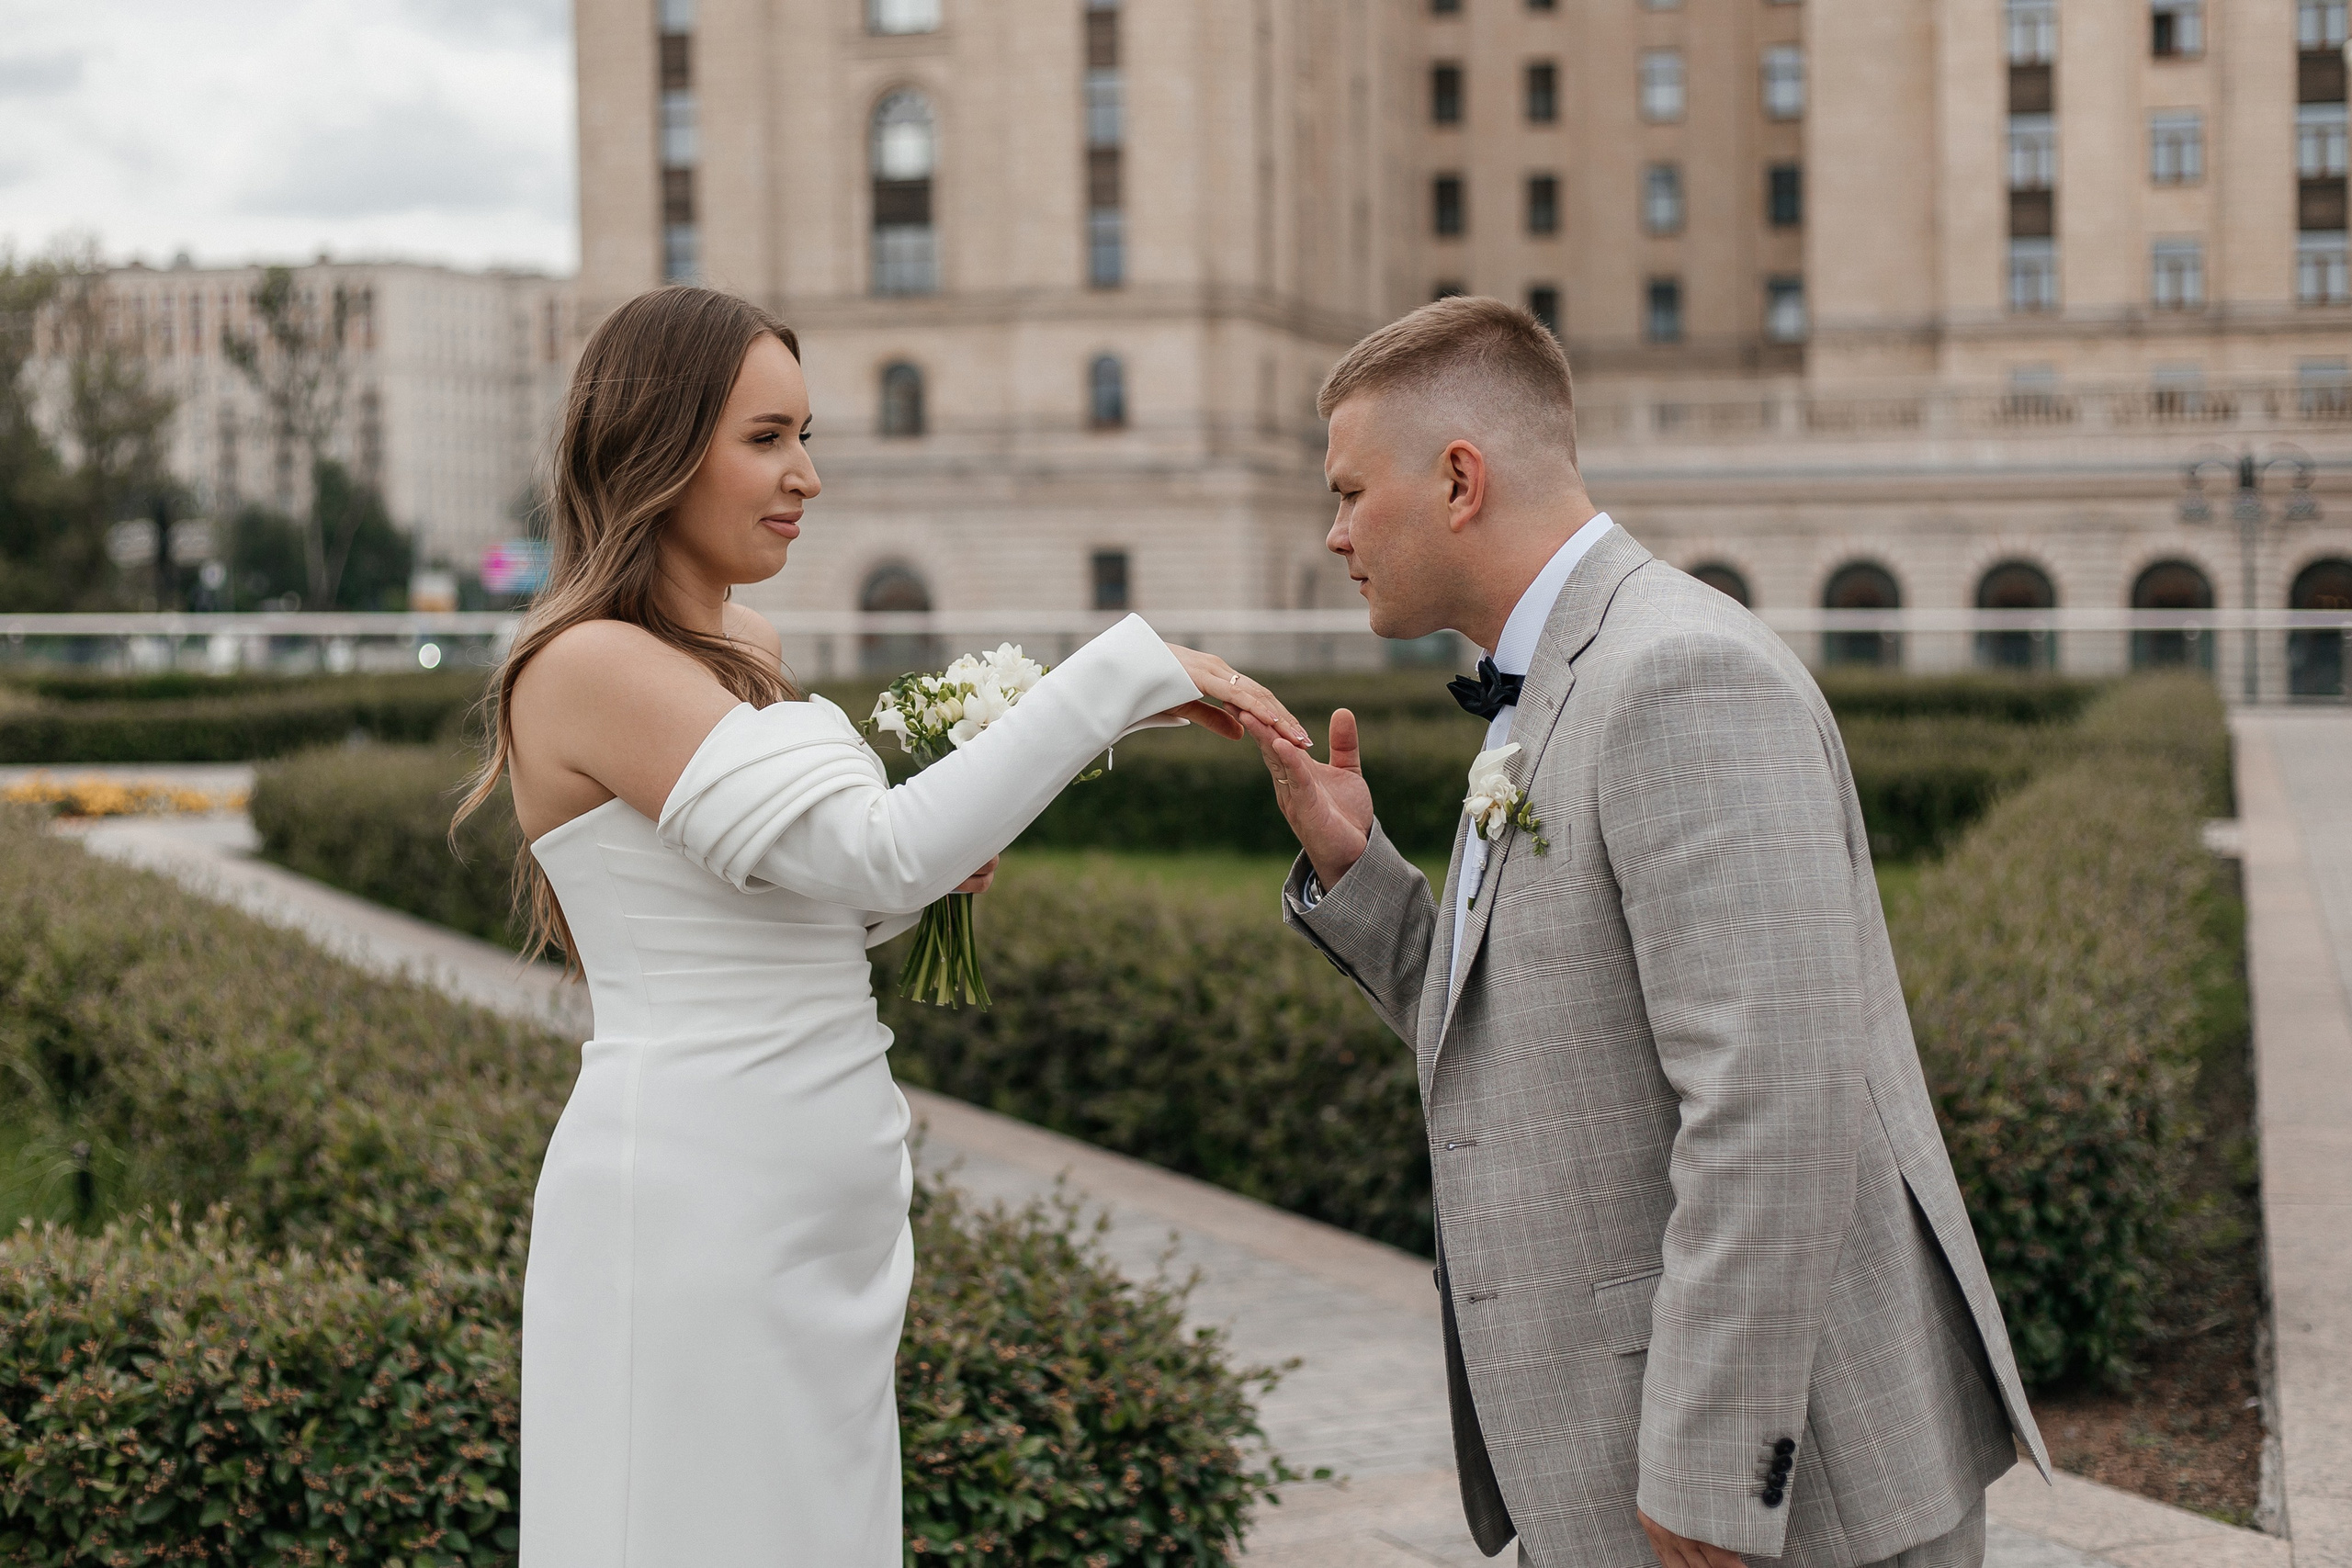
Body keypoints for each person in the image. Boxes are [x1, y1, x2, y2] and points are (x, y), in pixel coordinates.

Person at [455, 285, 1309, 1566]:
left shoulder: (745, 640)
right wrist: (1130, 676)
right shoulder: (586, 663)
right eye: (766, 438)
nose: (806, 476)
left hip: (820, 1195)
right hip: (700, 1201)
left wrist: (917, 878)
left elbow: (830, 894)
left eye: (807, 435)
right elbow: (876, 850)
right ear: (653, 448)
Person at [1238, 296, 2049, 1568]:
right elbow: (1522, 1031)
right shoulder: (1560, 671)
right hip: (1631, 1461)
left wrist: (1716, 1471)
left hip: (1794, 1500)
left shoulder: (1678, 676)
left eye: (1347, 492)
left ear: (1460, 481)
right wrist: (1360, 869)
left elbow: (1772, 1103)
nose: (1335, 533)